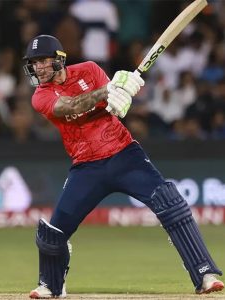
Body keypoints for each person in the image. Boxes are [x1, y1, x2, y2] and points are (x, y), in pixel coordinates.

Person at [22, 34, 224, 299]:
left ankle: (205, 274)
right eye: (34, 63)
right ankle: (51, 284)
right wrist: (107, 91)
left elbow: (116, 104)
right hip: (86, 167)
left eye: (43, 61)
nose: (38, 68)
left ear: (59, 60)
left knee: (170, 202)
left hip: (124, 155)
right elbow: (72, 105)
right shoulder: (41, 96)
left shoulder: (90, 70)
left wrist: (123, 95)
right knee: (53, 233)